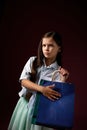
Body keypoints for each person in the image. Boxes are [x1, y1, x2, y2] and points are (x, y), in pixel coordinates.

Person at [8, 31, 71, 130]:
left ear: (59, 48)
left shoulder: (58, 72)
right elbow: (23, 81)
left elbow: (56, 96)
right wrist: (42, 89)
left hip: (43, 112)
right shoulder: (33, 61)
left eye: (51, 46)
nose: (46, 48)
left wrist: (63, 79)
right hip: (25, 106)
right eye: (44, 45)